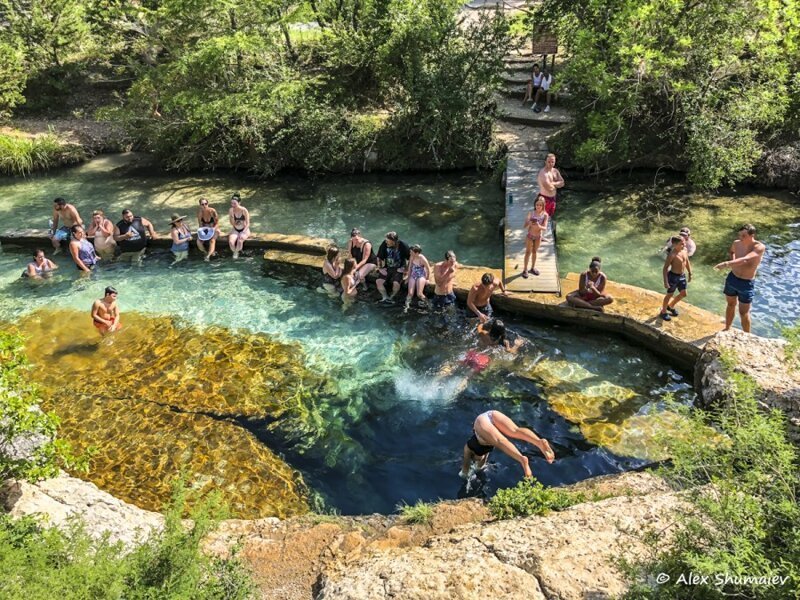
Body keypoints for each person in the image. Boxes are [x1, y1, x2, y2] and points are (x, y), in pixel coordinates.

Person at [460, 410, 555, 479]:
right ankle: (538, 442)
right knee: (515, 430)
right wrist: (477, 470)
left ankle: (521, 459)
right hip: (490, 414)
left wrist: (464, 475)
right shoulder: (487, 447)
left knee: (501, 441)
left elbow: (465, 469)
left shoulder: (468, 448)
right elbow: (481, 466)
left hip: (481, 423)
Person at [714, 224, 766, 333]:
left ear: (752, 235)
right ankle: (727, 328)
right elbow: (732, 251)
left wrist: (727, 264)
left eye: (744, 235)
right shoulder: (736, 243)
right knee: (730, 304)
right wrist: (733, 262)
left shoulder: (759, 247)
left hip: (746, 283)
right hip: (732, 278)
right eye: (740, 235)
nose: (741, 238)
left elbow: (746, 259)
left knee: (743, 312)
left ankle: (747, 336)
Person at [660, 236, 692, 321]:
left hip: (682, 276)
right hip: (673, 276)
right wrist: (666, 281)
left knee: (683, 294)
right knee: (669, 294)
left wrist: (690, 273)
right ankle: (663, 311)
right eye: (682, 243)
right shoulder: (672, 254)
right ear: (675, 244)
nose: (684, 244)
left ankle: (670, 306)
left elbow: (687, 261)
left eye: (684, 243)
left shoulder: (684, 250)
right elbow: (665, 268)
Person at [376, 231, 411, 303]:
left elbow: (411, 259)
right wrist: (380, 268)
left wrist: (406, 270)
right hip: (387, 267)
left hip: (399, 268)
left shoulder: (403, 245)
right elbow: (379, 257)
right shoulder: (384, 244)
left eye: (388, 241)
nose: (386, 242)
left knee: (396, 283)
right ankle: (385, 297)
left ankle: (392, 297)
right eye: (386, 240)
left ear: (393, 241)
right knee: (378, 281)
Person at [522, 195, 549, 277]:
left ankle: (532, 268)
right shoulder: (531, 213)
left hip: (538, 237)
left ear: (543, 206)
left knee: (534, 252)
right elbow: (524, 226)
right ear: (535, 205)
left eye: (540, 205)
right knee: (527, 252)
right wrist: (529, 223)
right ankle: (525, 269)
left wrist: (539, 226)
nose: (538, 206)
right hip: (530, 236)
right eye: (537, 205)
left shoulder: (545, 215)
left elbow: (545, 228)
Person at [403, 244, 432, 311]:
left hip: (421, 275)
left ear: (417, 253)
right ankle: (406, 306)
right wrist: (408, 277)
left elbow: (428, 269)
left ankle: (428, 304)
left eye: (411, 252)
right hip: (413, 274)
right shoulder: (411, 257)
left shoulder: (422, 258)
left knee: (419, 294)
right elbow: (410, 267)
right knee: (410, 293)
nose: (410, 253)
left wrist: (427, 279)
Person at [536, 153, 565, 218]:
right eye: (549, 162)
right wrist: (557, 183)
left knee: (548, 217)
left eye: (553, 162)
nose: (551, 163)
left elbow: (563, 183)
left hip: (553, 199)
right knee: (541, 219)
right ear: (545, 162)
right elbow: (549, 188)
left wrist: (553, 183)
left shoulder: (555, 171)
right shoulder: (543, 173)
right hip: (544, 199)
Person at [228, 192, 250, 259]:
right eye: (232, 203)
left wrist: (243, 232)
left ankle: (235, 253)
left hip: (244, 229)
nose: (233, 205)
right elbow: (231, 223)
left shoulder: (244, 210)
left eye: (235, 203)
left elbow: (248, 223)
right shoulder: (231, 210)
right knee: (231, 242)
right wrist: (232, 216)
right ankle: (236, 252)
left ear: (239, 203)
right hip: (235, 229)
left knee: (240, 241)